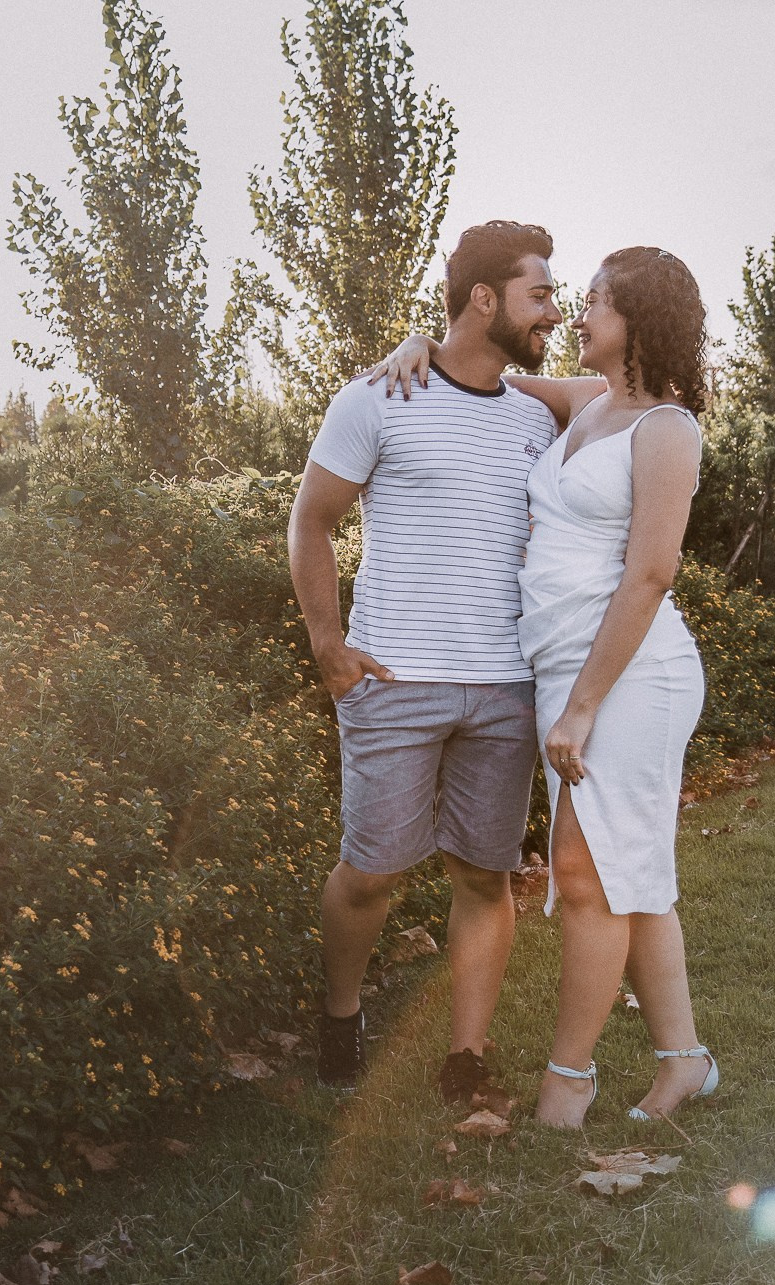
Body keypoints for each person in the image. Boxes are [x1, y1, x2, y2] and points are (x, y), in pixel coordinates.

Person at [370, 246, 717, 1128]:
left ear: (638, 317)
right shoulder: (583, 402)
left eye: (595, 299)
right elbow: (475, 369)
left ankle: (568, 1078)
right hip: (570, 668)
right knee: (631, 869)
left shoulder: (666, 429)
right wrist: (420, 338)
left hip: (632, 674)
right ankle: (683, 1063)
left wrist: (584, 704)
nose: (573, 313)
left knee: (588, 874)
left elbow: (649, 576)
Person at [287, 221, 563, 1100]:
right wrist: (329, 647)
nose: (553, 311)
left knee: (486, 875)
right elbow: (311, 522)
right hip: (394, 680)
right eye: (539, 295)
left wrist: (472, 354)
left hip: (505, 687)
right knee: (371, 875)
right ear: (485, 298)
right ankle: (340, 1011)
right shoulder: (375, 397)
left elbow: (636, 390)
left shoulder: (533, 415)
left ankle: (466, 1058)